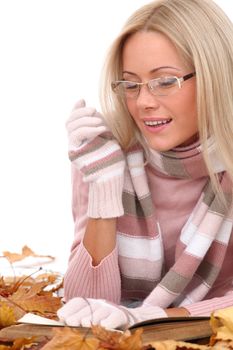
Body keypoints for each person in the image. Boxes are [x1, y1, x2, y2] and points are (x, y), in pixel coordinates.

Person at [57, 0, 233, 330]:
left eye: (165, 81)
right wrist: (104, 191)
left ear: (214, 76)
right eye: (130, 84)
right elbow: (84, 308)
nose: (144, 102)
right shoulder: (103, 154)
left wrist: (151, 316)